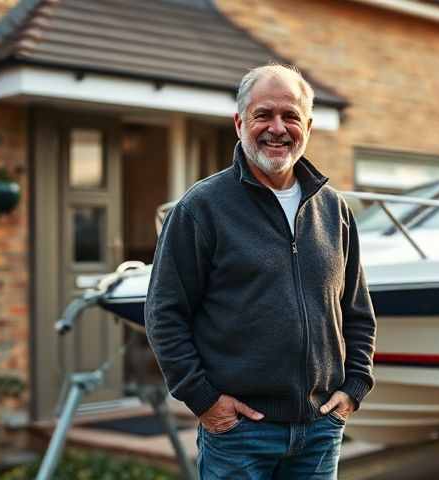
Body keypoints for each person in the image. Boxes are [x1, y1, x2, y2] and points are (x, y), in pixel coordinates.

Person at [144, 64, 377, 479]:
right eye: (263, 115)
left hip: (319, 431)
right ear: (239, 123)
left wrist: (354, 387)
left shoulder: (334, 210)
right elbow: (164, 314)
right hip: (239, 435)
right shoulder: (201, 208)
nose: (277, 128)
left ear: (307, 125)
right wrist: (204, 400)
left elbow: (356, 311)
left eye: (290, 116)